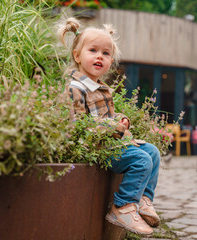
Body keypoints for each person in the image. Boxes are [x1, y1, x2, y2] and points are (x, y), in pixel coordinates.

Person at [58, 18, 160, 236]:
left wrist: (121, 120)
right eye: (93, 50)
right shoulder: (75, 88)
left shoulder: (101, 88)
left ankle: (143, 200)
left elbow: (108, 116)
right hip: (97, 148)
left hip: (111, 142)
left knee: (153, 152)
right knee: (141, 160)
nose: (99, 56)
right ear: (77, 56)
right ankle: (122, 207)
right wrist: (112, 127)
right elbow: (78, 125)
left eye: (105, 53)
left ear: (111, 60)